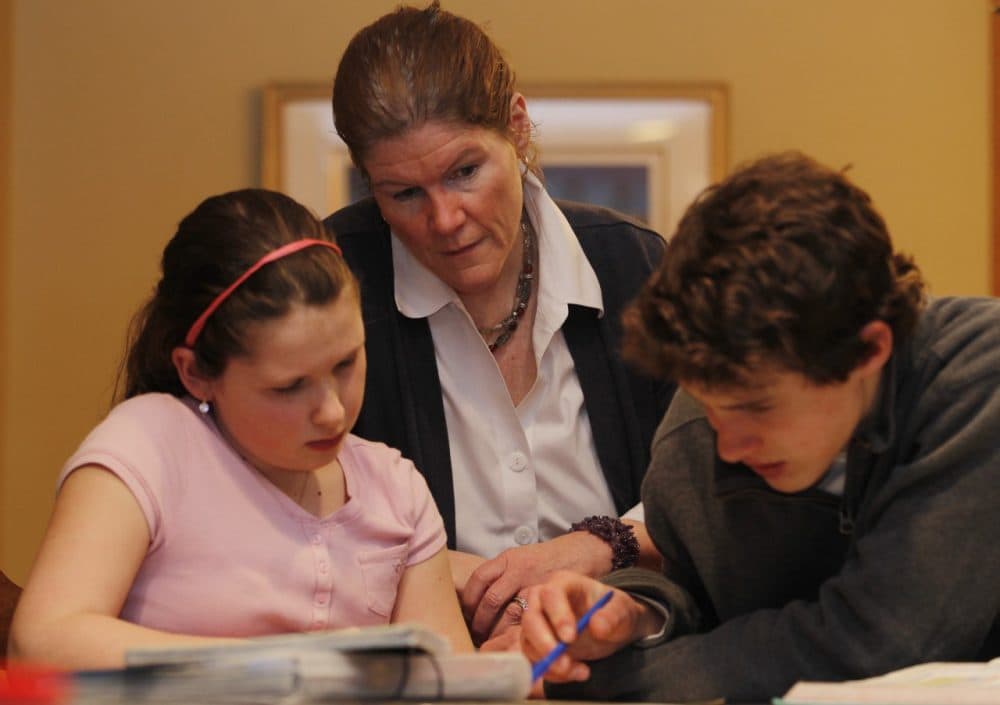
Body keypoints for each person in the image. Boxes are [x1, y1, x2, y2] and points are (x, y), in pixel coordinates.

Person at [519, 151, 1000, 702]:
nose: (728, 443)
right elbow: (700, 599)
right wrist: (632, 615)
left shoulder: (979, 380)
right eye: (709, 403)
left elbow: (885, 640)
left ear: (869, 349)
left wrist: (605, 682)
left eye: (758, 407)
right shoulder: (692, 438)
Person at [325, 0, 674, 643]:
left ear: (516, 126)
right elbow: (291, 519)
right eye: (403, 194)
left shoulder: (633, 266)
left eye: (465, 173)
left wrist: (602, 547)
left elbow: (722, 499)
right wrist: (451, 580)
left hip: (633, 659)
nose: (445, 221)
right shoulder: (336, 284)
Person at [8, 189, 472, 669]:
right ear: (196, 375)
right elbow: (41, 642)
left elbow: (449, 680)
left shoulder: (396, 489)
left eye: (346, 362)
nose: (332, 412)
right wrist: (285, 664)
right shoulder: (150, 446)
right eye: (289, 387)